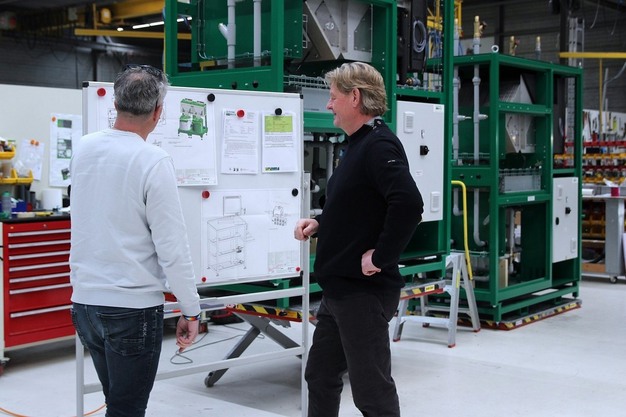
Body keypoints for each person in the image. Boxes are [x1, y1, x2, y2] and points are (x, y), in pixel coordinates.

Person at [69, 64, 201, 417]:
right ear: (158, 112)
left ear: (115, 103)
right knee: (127, 410)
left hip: (85, 305)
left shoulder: (84, 148)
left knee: (118, 405)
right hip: (131, 309)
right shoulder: (153, 161)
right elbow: (172, 247)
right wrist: (191, 309)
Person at [294, 62, 424, 417]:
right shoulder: (356, 145)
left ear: (355, 97)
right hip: (339, 290)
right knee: (320, 375)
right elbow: (359, 206)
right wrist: (320, 223)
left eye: (333, 97)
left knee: (371, 392)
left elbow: (409, 204)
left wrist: (381, 257)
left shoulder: (379, 145)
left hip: (362, 293)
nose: (328, 105)